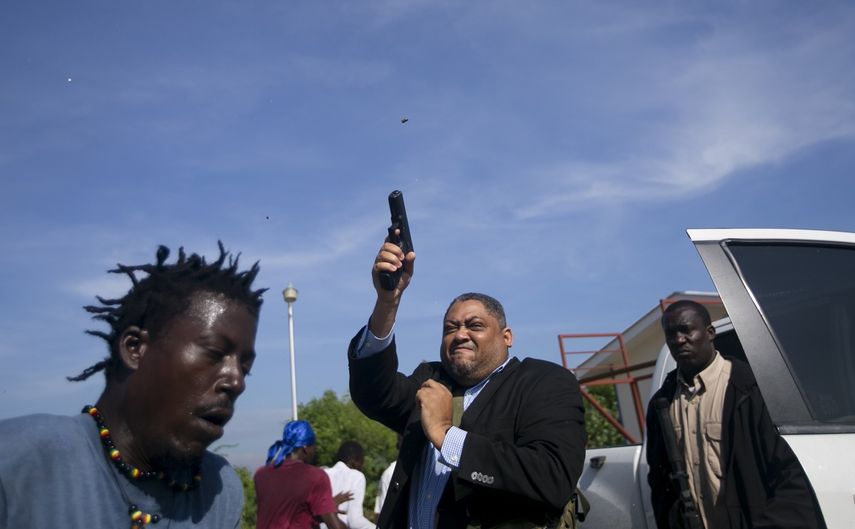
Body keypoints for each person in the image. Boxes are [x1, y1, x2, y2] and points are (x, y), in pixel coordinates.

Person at [0, 242, 264, 528]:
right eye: (214, 353)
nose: (236, 382)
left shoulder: (218, 490)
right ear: (135, 348)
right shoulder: (18, 460)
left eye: (245, 368)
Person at [347, 235, 586, 529]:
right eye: (450, 328)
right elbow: (373, 392)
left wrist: (447, 436)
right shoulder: (431, 381)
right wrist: (387, 302)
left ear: (507, 336)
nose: (460, 334)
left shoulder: (544, 382)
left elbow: (551, 478)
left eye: (475, 325)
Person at [646, 300, 827, 529]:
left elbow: (790, 475)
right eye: (671, 334)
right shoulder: (661, 405)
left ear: (710, 333)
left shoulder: (751, 389)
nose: (679, 340)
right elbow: (660, 483)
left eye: (687, 330)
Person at [255, 420, 347, 529]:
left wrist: (322, 510)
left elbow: (289, 511)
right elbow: (335, 527)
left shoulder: (261, 474)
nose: (314, 451)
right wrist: (330, 511)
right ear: (306, 448)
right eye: (313, 446)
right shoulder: (315, 476)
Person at [322, 441, 375, 529]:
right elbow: (355, 521)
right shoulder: (357, 477)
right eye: (361, 461)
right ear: (354, 460)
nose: (362, 466)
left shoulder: (323, 473)